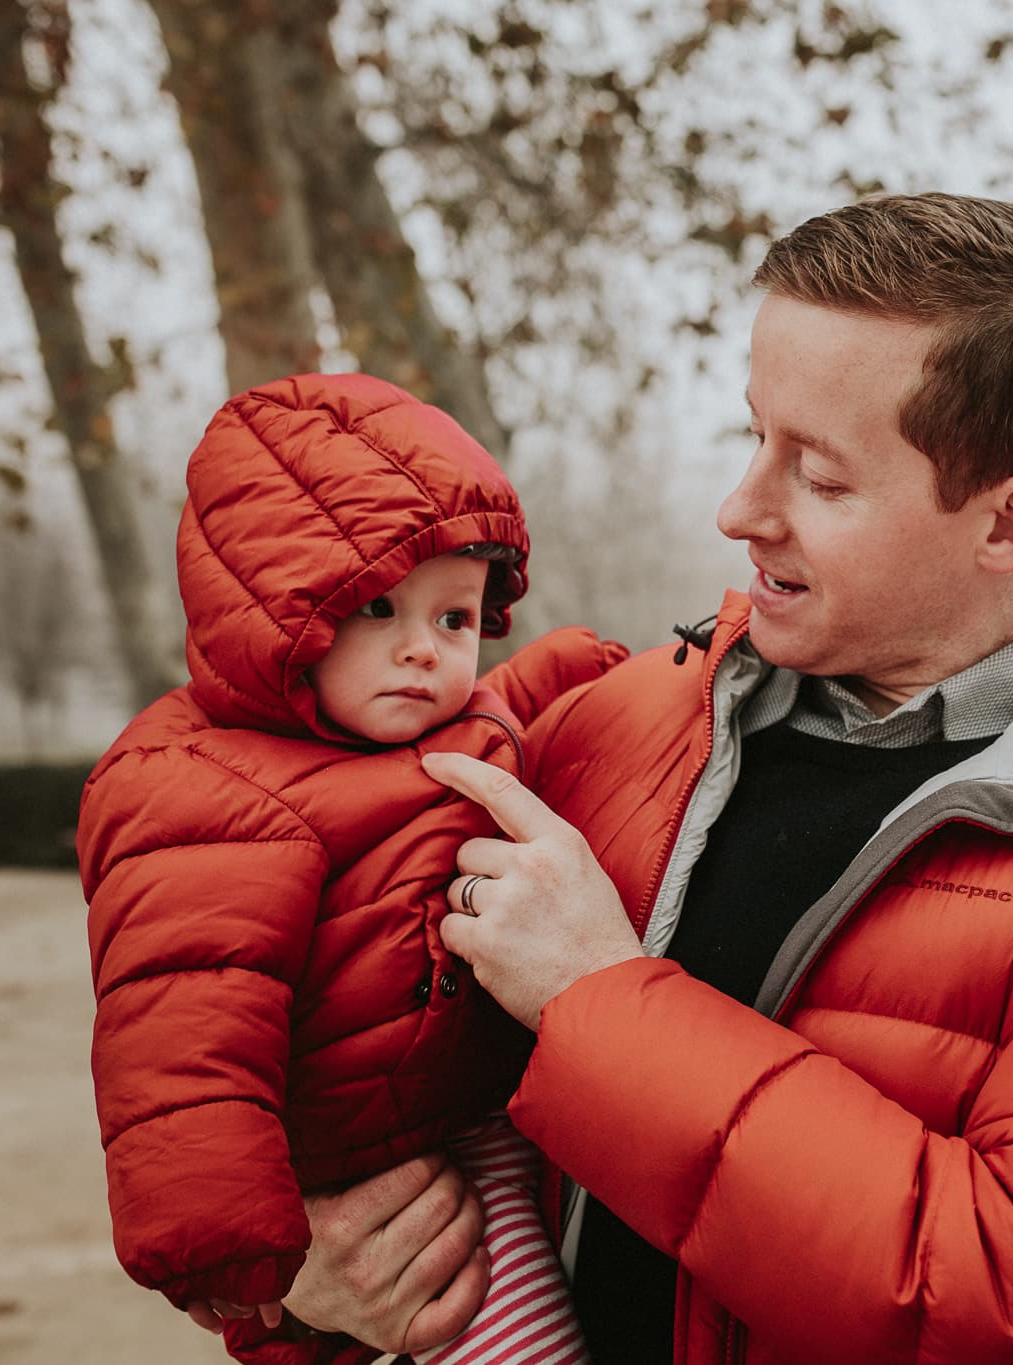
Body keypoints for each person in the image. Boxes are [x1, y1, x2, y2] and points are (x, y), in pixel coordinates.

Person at [286, 194, 1013, 1365]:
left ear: (1007, 524)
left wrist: (596, 999)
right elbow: (343, 1061)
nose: (739, 510)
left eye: (820, 479)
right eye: (753, 439)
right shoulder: (613, 723)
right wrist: (302, 1274)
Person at [78, 373, 621, 1365]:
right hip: (377, 1163)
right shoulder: (200, 786)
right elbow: (181, 1023)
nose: (423, 652)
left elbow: (500, 708)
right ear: (274, 611)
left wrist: (581, 665)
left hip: (467, 1106)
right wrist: (226, 1245)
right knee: (511, 1338)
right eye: (376, 609)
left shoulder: (419, 725)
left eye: (454, 619)